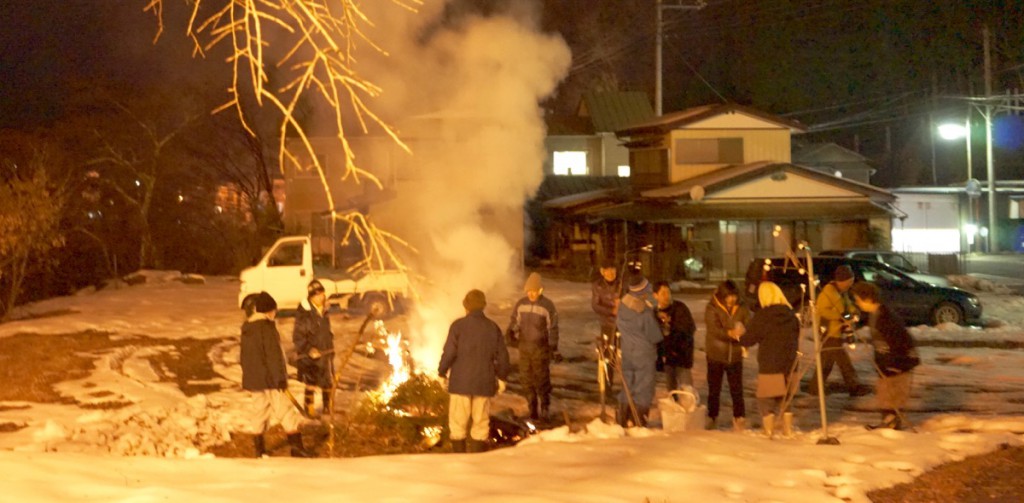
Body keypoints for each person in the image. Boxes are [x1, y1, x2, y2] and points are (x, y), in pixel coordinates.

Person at [240, 291, 314, 458]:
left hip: (255, 381)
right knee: (286, 411)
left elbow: (246, 358)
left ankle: (259, 450)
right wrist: (279, 379)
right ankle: (297, 448)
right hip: (271, 380)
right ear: (267, 311)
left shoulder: (248, 329)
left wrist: (251, 378)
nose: (275, 314)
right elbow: (273, 356)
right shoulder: (266, 328)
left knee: (259, 411)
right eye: (274, 311)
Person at [439, 289, 511, 453]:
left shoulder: (457, 326)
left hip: (460, 384)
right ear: (483, 306)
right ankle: (477, 461)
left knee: (458, 424)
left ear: (466, 306)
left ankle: (460, 460)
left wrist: (442, 372)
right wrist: (502, 378)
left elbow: (449, 353)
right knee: (480, 423)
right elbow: (503, 357)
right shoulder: (493, 327)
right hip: (484, 383)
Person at [850, 282, 920, 430]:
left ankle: (892, 428)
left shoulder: (886, 317)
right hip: (886, 364)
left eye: (858, 299)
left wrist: (895, 365)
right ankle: (888, 424)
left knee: (892, 399)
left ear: (868, 299)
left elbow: (901, 340)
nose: (856, 303)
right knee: (885, 397)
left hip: (897, 365)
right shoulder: (876, 314)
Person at [740, 281, 800, 437]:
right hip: (791, 363)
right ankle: (788, 430)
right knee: (786, 399)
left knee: (766, 400)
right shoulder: (791, 314)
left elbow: (749, 339)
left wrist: (740, 336)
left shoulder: (763, 316)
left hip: (770, 364)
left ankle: (769, 432)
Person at [505, 272, 559, 420]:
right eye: (529, 292)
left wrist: (552, 346)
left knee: (541, 378)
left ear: (540, 290)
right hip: (524, 348)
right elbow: (515, 321)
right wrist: (510, 332)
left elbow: (553, 327)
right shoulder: (521, 304)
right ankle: (532, 407)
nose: (532, 294)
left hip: (540, 349)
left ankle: (545, 406)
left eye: (535, 291)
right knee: (526, 378)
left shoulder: (547, 306)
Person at [615, 271, 663, 427]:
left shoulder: (622, 306)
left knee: (627, 384)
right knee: (644, 387)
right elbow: (655, 336)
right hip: (645, 355)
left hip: (628, 352)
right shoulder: (645, 312)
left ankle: (622, 416)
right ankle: (639, 420)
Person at [812, 265, 867, 396]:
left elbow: (847, 305)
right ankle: (854, 387)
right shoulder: (828, 292)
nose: (850, 285)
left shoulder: (841, 292)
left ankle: (815, 388)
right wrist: (840, 317)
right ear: (842, 281)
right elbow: (822, 311)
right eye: (849, 282)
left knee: (827, 363)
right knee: (843, 362)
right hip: (829, 332)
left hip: (836, 332)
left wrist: (854, 312)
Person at [704, 279, 750, 431]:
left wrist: (744, 331)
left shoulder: (742, 307)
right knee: (714, 389)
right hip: (716, 354)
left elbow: (748, 323)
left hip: (735, 355)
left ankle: (739, 418)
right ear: (722, 296)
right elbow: (714, 329)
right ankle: (712, 417)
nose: (732, 299)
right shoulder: (712, 307)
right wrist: (730, 333)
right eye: (729, 296)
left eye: (734, 296)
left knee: (737, 389)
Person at [292, 279, 335, 417]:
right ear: (311, 297)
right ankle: (308, 408)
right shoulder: (304, 314)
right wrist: (309, 349)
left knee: (327, 381)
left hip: (325, 352)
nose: (321, 297)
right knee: (311, 383)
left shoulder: (324, 311)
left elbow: (326, 332)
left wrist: (330, 348)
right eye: (317, 295)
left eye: (322, 294)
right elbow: (298, 336)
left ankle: (327, 407)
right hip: (310, 357)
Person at [653, 280, 697, 395]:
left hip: (682, 356)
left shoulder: (680, 308)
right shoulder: (654, 313)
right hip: (667, 359)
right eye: (663, 293)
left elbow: (689, 329)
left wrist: (670, 327)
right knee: (672, 391)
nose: (666, 296)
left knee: (687, 390)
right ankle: (675, 411)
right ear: (655, 295)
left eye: (668, 292)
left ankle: (688, 411)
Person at [592, 258, 621, 393]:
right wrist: (611, 311)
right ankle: (606, 385)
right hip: (607, 325)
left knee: (625, 355)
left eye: (613, 270)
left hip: (623, 325)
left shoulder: (621, 285)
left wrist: (622, 306)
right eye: (607, 271)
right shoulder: (598, 286)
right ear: (602, 272)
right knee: (608, 356)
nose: (610, 273)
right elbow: (595, 305)